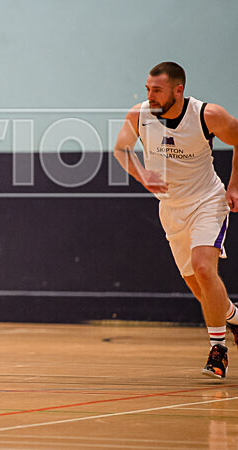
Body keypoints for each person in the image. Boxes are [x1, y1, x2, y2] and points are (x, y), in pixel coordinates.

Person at [114, 61, 238, 379]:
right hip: (171, 210)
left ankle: (218, 351)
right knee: (199, 287)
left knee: (203, 267)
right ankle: (234, 318)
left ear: (178, 90)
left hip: (207, 202)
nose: (150, 96)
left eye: (157, 90)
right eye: (148, 89)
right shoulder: (139, 116)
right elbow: (121, 150)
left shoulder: (207, 115)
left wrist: (235, 184)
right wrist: (143, 177)